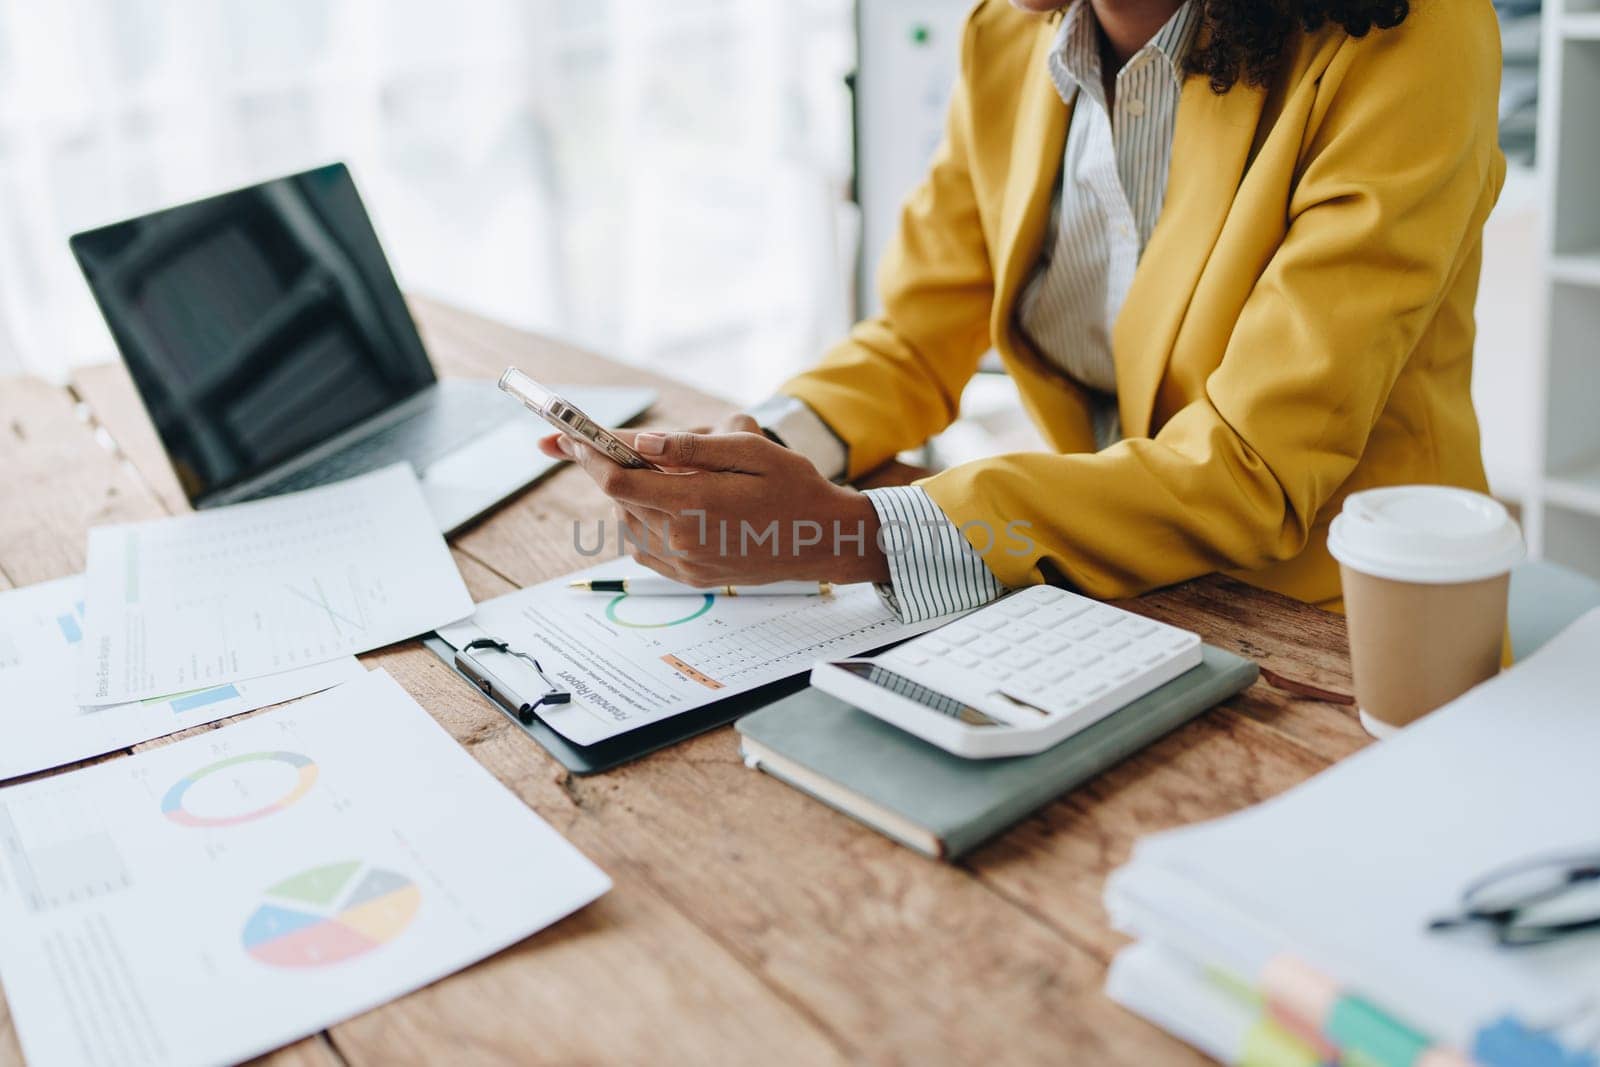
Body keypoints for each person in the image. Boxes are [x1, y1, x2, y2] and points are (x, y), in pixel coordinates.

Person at [541, 0, 1505, 622]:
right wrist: (764, 448)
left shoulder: (1412, 41)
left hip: (1335, 627)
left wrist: (843, 533)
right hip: (1096, 589)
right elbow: (920, 337)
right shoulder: (1010, 34)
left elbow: (1250, 471)